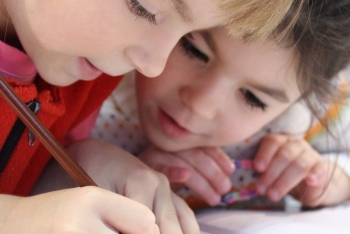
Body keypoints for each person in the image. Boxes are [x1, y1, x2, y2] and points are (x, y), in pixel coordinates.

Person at [0, 0, 305, 234]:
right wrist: (13, 225)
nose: (153, 65)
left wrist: (71, 172)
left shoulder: (87, 73)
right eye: (144, 8)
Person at [89, 0, 350, 210]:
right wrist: (115, 175)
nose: (200, 106)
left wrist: (331, 178)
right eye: (194, 51)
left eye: (252, 98)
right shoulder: (94, 81)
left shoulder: (309, 116)